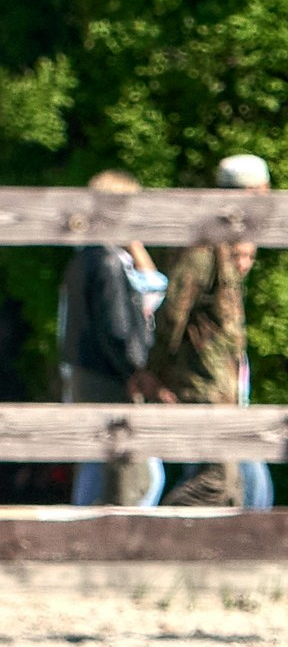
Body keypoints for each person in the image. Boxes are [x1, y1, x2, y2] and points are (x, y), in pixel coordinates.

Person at [138, 151, 270, 508]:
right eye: (263, 194)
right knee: (217, 482)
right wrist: (155, 371)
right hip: (201, 383)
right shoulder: (205, 241)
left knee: (234, 488)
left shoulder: (228, 242)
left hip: (220, 385)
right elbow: (174, 311)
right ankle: (149, 535)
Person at [59, 170, 165, 507]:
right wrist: (135, 370)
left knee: (96, 462)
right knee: (142, 475)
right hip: (108, 376)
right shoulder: (108, 261)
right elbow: (117, 327)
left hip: (85, 371)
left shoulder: (85, 257)